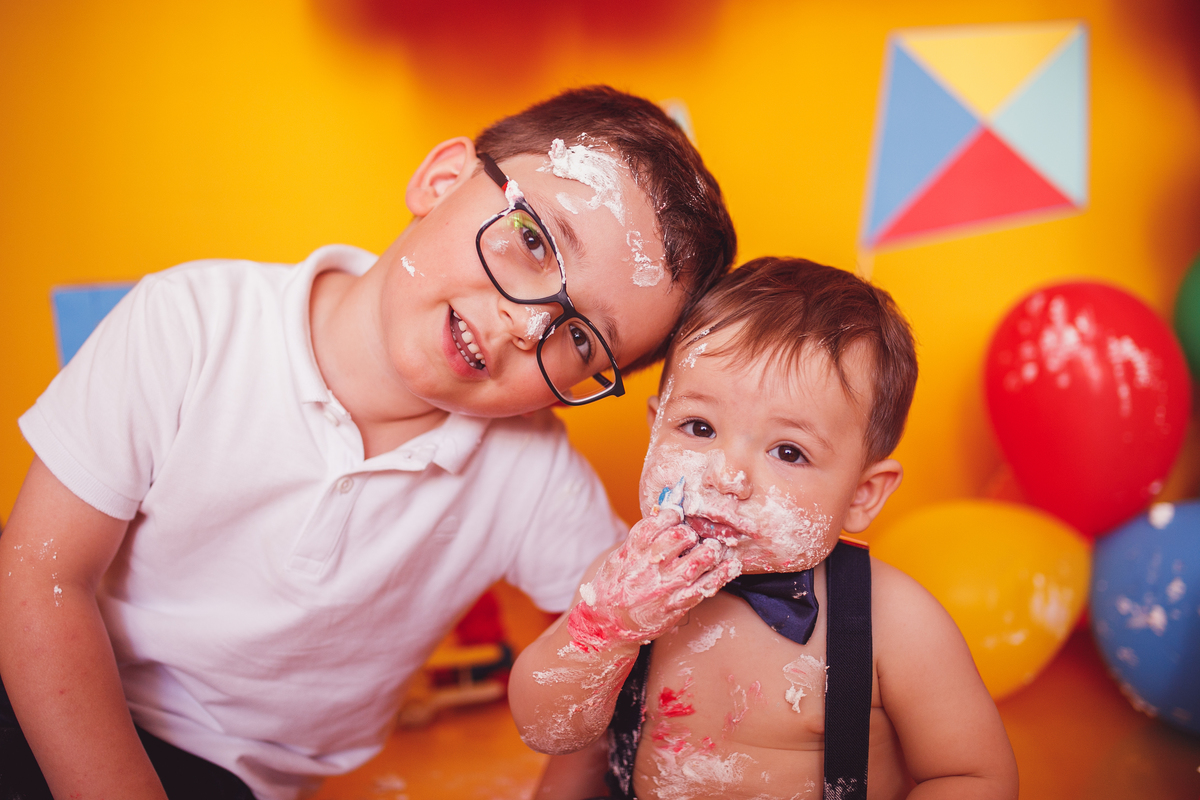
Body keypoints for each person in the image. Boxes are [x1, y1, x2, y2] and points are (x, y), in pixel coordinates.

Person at [0, 86, 736, 800]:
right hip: (32, 665)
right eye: (534, 241)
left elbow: (628, 654)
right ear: (442, 180)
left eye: (580, 337)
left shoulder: (531, 473)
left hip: (222, 772)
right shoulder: (191, 322)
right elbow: (40, 576)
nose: (527, 325)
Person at [510, 257, 1019, 800]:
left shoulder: (894, 622)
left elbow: (973, 777)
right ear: (655, 428)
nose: (727, 477)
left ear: (861, 496)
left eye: (789, 452)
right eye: (699, 427)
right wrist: (605, 633)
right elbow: (551, 731)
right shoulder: (621, 586)